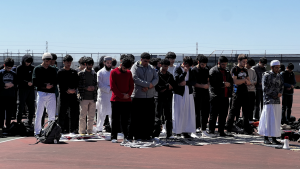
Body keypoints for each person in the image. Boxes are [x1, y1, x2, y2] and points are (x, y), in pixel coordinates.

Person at [130, 52, 159, 140]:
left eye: (148, 61)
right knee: (138, 117)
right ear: (141, 59)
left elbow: (156, 78)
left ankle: (147, 135)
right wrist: (148, 85)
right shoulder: (135, 67)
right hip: (138, 96)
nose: (147, 63)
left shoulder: (151, 67)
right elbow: (134, 78)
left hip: (149, 96)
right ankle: (137, 135)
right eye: (145, 61)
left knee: (149, 118)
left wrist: (150, 86)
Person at [258, 60, 284, 145]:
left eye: (278, 67)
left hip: (276, 101)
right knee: (267, 119)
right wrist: (275, 94)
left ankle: (274, 138)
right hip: (268, 101)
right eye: (276, 67)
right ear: (272, 67)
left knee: (275, 120)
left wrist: (280, 93)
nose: (278, 69)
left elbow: (281, 86)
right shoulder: (266, 75)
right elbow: (264, 89)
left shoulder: (279, 76)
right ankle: (266, 138)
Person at [110, 56, 134, 143]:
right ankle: (114, 137)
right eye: (124, 68)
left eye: (127, 68)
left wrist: (128, 95)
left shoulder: (129, 73)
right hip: (116, 100)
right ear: (121, 64)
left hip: (127, 100)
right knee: (115, 119)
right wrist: (121, 95)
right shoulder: (113, 72)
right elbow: (113, 87)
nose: (125, 70)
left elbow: (131, 85)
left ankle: (127, 136)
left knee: (126, 119)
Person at [32, 53, 57, 136]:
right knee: (39, 113)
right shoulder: (37, 69)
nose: (48, 61)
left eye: (49, 60)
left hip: (51, 93)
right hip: (41, 93)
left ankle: (51, 131)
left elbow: (56, 80)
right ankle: (37, 132)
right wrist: (45, 85)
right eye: (46, 59)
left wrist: (51, 85)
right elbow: (35, 81)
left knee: (52, 114)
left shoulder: (53, 69)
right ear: (43, 59)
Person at [227, 54, 252, 135]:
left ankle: (246, 128)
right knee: (233, 111)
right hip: (237, 93)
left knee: (246, 111)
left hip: (245, 92)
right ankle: (229, 127)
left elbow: (249, 82)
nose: (245, 63)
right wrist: (244, 80)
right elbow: (235, 81)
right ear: (239, 61)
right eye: (243, 62)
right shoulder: (235, 69)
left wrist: (243, 80)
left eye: (246, 62)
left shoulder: (245, 70)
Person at [208, 56, 233, 137]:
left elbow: (231, 81)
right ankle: (211, 131)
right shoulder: (213, 70)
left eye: (226, 64)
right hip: (215, 96)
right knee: (214, 114)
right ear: (218, 63)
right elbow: (212, 83)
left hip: (225, 96)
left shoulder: (227, 71)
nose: (224, 66)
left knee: (223, 114)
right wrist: (223, 84)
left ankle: (221, 131)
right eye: (223, 64)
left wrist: (229, 84)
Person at [172, 56, 196, 138]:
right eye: (188, 66)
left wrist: (186, 83)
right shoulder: (177, 68)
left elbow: (194, 81)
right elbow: (177, 80)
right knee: (178, 112)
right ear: (184, 64)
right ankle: (178, 131)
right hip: (179, 93)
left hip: (188, 92)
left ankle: (186, 131)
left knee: (187, 112)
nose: (189, 68)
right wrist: (184, 72)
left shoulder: (191, 70)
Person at [153, 59, 176, 138]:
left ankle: (169, 134)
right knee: (157, 116)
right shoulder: (156, 75)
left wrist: (166, 88)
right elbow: (157, 88)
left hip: (168, 97)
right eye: (165, 66)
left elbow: (173, 86)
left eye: (167, 66)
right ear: (160, 65)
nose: (166, 68)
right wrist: (166, 87)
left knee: (168, 116)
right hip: (158, 98)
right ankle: (156, 134)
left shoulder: (170, 75)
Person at [57, 55, 79, 134]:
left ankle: (72, 130)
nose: (68, 63)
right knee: (62, 112)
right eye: (67, 62)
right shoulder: (60, 72)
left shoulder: (74, 72)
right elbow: (60, 84)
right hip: (64, 95)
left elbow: (77, 82)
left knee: (73, 113)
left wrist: (74, 90)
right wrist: (67, 90)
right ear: (63, 62)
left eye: (70, 62)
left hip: (73, 95)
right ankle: (60, 130)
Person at [78, 57, 98, 135]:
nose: (90, 66)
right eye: (89, 64)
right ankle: (82, 131)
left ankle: (90, 130)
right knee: (83, 116)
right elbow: (79, 86)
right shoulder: (81, 74)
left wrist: (94, 88)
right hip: (84, 97)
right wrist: (86, 88)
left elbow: (96, 85)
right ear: (85, 64)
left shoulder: (94, 74)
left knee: (91, 116)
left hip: (93, 98)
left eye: (92, 64)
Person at [192, 54, 211, 137]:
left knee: (205, 111)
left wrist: (208, 84)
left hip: (206, 93)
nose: (204, 66)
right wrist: (203, 86)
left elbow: (208, 80)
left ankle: (204, 129)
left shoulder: (206, 69)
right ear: (198, 62)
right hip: (197, 93)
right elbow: (194, 83)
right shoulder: (194, 70)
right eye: (202, 64)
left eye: (205, 64)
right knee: (196, 111)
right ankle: (195, 127)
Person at [16, 54, 35, 125]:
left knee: (31, 107)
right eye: (27, 62)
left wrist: (32, 83)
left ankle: (30, 122)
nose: (28, 63)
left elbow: (34, 78)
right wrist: (27, 83)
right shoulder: (19, 68)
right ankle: (18, 122)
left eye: (29, 62)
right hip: (22, 89)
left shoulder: (33, 68)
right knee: (21, 106)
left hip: (31, 90)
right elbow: (18, 79)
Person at [96, 56, 113, 134]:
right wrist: (109, 88)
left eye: (110, 63)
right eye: (107, 63)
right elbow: (99, 84)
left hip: (112, 95)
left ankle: (113, 128)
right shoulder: (100, 72)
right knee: (101, 112)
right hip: (103, 95)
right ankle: (99, 128)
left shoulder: (113, 72)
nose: (109, 64)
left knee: (112, 113)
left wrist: (112, 88)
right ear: (104, 63)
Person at [0, 58, 17, 129]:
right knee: (1, 112)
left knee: (9, 112)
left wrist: (12, 85)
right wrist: (4, 85)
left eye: (10, 68)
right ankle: (1, 126)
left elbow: (16, 83)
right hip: (2, 96)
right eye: (8, 68)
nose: (9, 69)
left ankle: (8, 126)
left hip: (11, 96)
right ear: (4, 65)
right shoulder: (0, 72)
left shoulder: (14, 74)